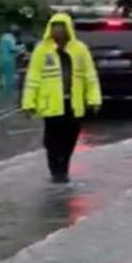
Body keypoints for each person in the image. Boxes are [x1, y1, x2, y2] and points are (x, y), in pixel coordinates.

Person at [22, 13, 102, 183]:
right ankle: (56, 172)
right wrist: (29, 102)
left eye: (61, 27)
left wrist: (94, 99)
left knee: (70, 137)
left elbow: (90, 76)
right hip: (51, 103)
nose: (57, 31)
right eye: (54, 27)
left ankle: (63, 166)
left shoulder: (80, 49)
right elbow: (33, 78)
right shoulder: (41, 50)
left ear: (68, 29)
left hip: (74, 103)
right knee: (52, 140)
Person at [0, 24, 24, 94]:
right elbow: (13, 48)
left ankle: (3, 88)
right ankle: (8, 91)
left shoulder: (3, 37)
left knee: (4, 73)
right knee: (9, 75)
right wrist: (22, 47)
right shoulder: (10, 38)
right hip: (9, 58)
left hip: (2, 57)